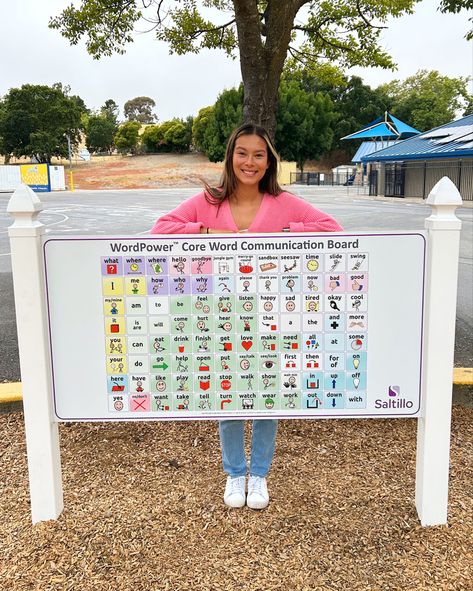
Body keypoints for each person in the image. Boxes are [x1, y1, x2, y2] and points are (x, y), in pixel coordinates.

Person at [151, 123, 342, 510]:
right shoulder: (208, 200)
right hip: (219, 314)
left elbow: (331, 229)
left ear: (269, 160)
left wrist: (289, 232)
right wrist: (203, 230)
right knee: (228, 395)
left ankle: (259, 475)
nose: (249, 162)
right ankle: (235, 473)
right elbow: (161, 229)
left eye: (258, 154)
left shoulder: (284, 202)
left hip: (270, 314)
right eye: (242, 153)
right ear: (230, 156)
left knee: (267, 397)